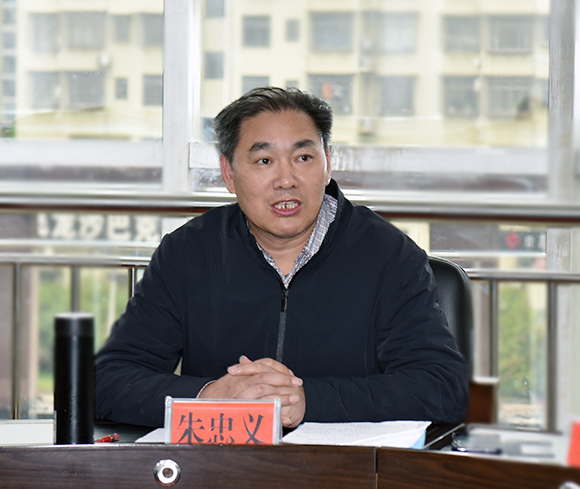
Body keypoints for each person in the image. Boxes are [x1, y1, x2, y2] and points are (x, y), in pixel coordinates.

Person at [95, 87, 469, 428]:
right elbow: (107, 381)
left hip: (344, 470)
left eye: (303, 157)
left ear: (327, 164)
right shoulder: (188, 253)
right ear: (228, 173)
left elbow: (442, 388)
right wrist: (208, 396)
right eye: (264, 161)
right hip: (221, 467)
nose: (286, 180)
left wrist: (309, 401)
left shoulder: (389, 256)